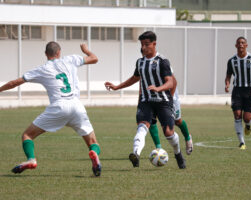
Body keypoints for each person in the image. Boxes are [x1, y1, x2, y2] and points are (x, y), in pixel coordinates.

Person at [0, 42, 102, 176]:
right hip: (77, 105)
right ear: (59, 52)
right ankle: (95, 155)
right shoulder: (70, 60)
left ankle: (31, 159)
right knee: (93, 142)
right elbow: (94, 58)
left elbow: (14, 83)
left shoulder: (42, 69)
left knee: (27, 135)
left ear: (45, 54)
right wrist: (86, 50)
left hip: (59, 107)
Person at [105, 31, 186, 169]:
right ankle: (135, 154)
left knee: (168, 133)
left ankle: (178, 154)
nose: (143, 47)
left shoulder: (163, 61)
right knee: (142, 127)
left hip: (163, 101)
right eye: (142, 45)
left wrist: (158, 89)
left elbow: (170, 82)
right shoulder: (140, 62)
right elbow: (135, 78)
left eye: (146, 44)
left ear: (154, 44)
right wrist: (117, 87)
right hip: (146, 101)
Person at [225, 36, 251, 150]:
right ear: (236, 46)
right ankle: (242, 143)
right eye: (239, 43)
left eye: (243, 43)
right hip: (237, 90)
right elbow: (228, 75)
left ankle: (248, 125)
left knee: (247, 118)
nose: (241, 45)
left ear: (246, 45)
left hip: (250, 91)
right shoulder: (232, 61)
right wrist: (227, 84)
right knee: (237, 115)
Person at [149, 75, 193, 155]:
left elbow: (173, 82)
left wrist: (170, 99)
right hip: (153, 95)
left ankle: (188, 137)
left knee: (177, 121)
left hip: (170, 95)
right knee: (151, 120)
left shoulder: (163, 63)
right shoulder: (144, 64)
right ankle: (158, 148)